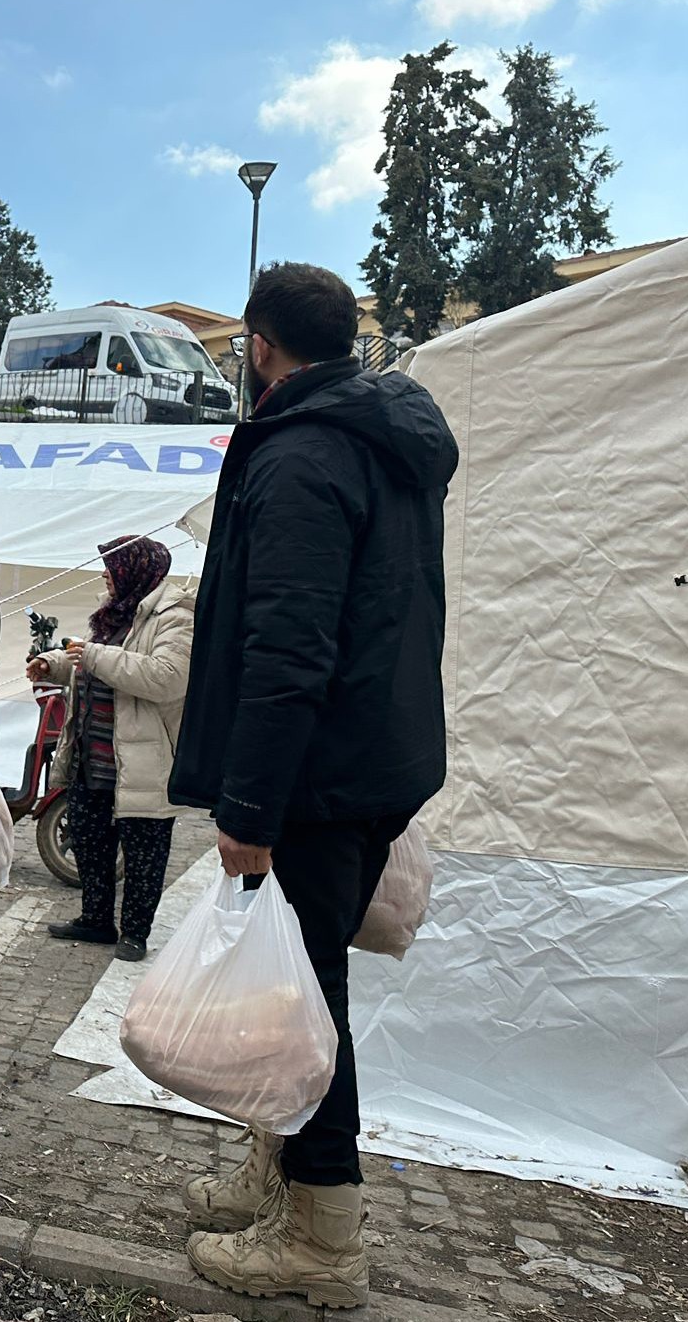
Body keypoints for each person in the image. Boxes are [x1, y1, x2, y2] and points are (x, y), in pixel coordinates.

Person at [169, 262, 456, 1310]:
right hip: (373, 756)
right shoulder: (387, 443)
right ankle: (276, 1175)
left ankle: (323, 1239)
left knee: (304, 997)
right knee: (291, 983)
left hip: (318, 777)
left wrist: (247, 811)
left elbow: (285, 645)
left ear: (259, 345)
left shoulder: (300, 453)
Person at [33, 535, 195, 961]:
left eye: (111, 565)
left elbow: (165, 677)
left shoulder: (175, 617)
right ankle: (96, 919)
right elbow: (91, 658)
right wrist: (55, 663)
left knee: (144, 852)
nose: (104, 573)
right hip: (94, 752)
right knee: (89, 840)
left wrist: (94, 657)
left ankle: (135, 934)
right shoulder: (113, 613)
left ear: (135, 569)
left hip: (141, 758)